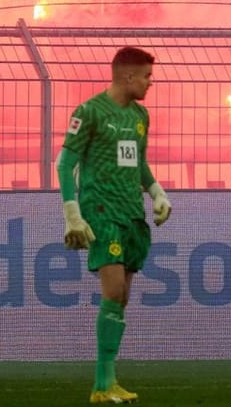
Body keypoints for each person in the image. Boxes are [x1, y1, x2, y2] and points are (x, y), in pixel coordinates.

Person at [57, 47, 173, 405]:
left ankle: (109, 382)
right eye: (147, 77)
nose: (150, 83)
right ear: (128, 77)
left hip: (131, 214)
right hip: (101, 210)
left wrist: (156, 191)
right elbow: (65, 163)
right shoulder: (90, 112)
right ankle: (101, 385)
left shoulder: (140, 115)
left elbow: (137, 162)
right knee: (113, 290)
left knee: (121, 297)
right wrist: (72, 213)